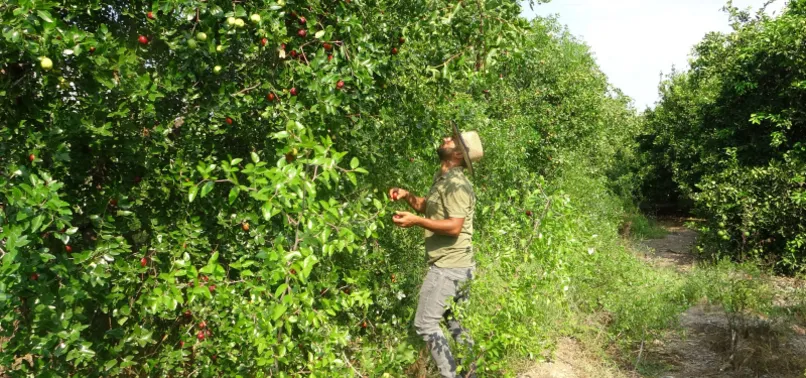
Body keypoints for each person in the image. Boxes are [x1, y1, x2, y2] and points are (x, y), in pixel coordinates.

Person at [389, 124, 484, 378]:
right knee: (455, 324)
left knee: (425, 324)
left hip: (448, 267)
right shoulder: (443, 176)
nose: (446, 138)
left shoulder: (457, 185)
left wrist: (415, 222)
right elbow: (428, 208)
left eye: (452, 140)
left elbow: (454, 226)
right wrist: (408, 196)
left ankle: (450, 375)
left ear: (458, 155)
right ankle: (470, 375)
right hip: (458, 265)